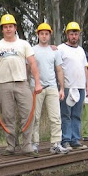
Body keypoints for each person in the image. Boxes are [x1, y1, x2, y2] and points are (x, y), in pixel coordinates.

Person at [0, 14, 42, 157]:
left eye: (10, 26)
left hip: (22, 83)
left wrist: (38, 83)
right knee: (8, 116)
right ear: (2, 29)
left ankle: (27, 145)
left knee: (28, 114)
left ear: (15, 28)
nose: (8, 29)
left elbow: (33, 63)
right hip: (4, 85)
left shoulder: (24, 44)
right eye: (5, 27)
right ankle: (10, 146)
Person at [31, 23, 69, 154]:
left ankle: (56, 144)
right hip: (36, 87)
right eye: (42, 33)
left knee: (55, 117)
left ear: (49, 35)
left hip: (52, 87)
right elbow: (27, 68)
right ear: (38, 35)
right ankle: (34, 143)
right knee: (35, 117)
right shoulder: (32, 50)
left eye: (46, 34)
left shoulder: (54, 51)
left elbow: (59, 70)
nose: (44, 36)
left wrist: (62, 88)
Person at [58, 22, 88, 150]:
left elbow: (85, 68)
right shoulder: (61, 49)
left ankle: (75, 139)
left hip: (80, 87)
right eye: (72, 34)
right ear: (67, 35)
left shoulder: (81, 50)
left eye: (76, 34)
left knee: (77, 114)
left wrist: (87, 85)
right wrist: (61, 87)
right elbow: (58, 68)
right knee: (66, 114)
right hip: (67, 87)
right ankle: (65, 139)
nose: (74, 36)